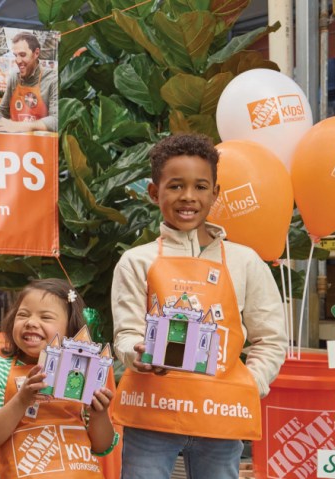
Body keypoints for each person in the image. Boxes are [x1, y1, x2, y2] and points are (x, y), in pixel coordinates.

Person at [111, 134, 287, 479]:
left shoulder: (245, 262)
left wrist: (251, 383)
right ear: (153, 192)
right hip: (152, 415)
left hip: (221, 415)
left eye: (200, 187)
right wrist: (139, 352)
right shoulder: (136, 261)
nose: (188, 197)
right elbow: (126, 333)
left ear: (215, 193)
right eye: (175, 186)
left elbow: (271, 338)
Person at [0, 278, 118, 478]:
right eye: (22, 315)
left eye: (46, 317)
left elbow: (102, 446)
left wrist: (99, 414)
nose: (31, 322)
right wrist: (22, 400)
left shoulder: (83, 371)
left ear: (71, 329)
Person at [0, 31, 57, 133]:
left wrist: (21, 126)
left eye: (22, 55)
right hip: (14, 144)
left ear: (36, 53)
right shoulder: (14, 78)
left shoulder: (52, 79)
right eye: (15, 55)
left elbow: (56, 120)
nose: (17, 60)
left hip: (40, 145)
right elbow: (2, 111)